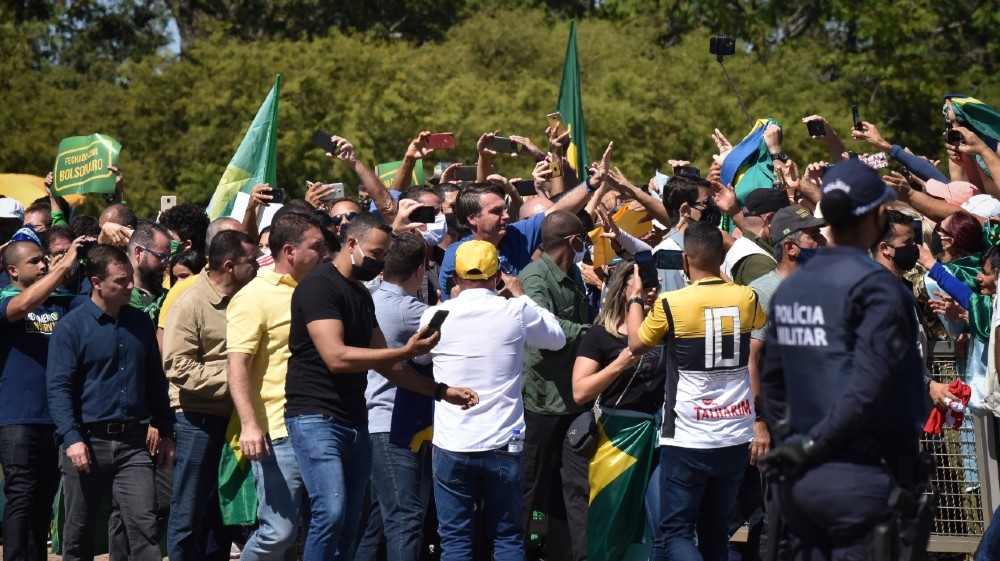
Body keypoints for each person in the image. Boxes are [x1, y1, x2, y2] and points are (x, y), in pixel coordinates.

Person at [758, 159, 926, 561]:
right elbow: (869, 388)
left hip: (802, 482)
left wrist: (796, 446)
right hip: (863, 478)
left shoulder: (793, 288)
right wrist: (814, 445)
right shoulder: (880, 289)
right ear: (879, 215)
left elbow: (773, 381)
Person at [283, 212, 477, 561]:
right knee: (332, 511)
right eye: (375, 254)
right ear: (352, 244)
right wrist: (407, 349)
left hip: (356, 420)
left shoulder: (359, 293)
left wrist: (441, 392)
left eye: (385, 255)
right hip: (315, 417)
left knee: (351, 523)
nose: (380, 263)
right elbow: (336, 356)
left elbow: (387, 364)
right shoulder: (319, 286)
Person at [416, 240, 565, 561]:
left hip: (453, 443)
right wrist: (522, 295)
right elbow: (557, 338)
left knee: (455, 541)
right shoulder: (516, 310)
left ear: (455, 278)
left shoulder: (438, 314)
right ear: (498, 276)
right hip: (506, 443)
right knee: (508, 535)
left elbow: (419, 360)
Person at [627, 221, 766, 561]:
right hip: (734, 435)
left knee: (676, 534)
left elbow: (635, 343)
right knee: (715, 531)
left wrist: (633, 296)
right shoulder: (745, 296)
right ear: (722, 256)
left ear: (685, 260)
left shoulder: (672, 303)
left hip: (688, 436)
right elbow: (757, 322)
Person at [46, 244, 176, 561]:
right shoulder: (71, 328)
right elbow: (58, 388)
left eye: (130, 277)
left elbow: (156, 383)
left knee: (144, 527)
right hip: (86, 441)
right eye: (121, 281)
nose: (130, 285)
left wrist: (166, 430)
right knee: (78, 532)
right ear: (96, 282)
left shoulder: (141, 323)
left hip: (133, 442)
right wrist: (72, 439)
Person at [227, 213, 329, 561]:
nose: (325, 252)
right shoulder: (253, 296)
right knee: (279, 530)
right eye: (316, 247)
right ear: (289, 251)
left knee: (325, 524)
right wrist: (250, 425)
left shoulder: (320, 288)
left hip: (321, 425)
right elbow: (237, 364)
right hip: (275, 430)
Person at [163, 230, 258, 561]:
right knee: (189, 511)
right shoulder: (189, 303)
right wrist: (236, 380)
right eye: (251, 261)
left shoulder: (248, 298)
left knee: (225, 512)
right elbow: (178, 367)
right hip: (198, 420)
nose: (258, 266)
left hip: (237, 421)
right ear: (230, 266)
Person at [571, 258, 665, 561]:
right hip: (616, 441)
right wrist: (621, 362)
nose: (649, 292)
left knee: (656, 527)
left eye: (654, 286)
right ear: (622, 289)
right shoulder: (600, 335)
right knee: (610, 525)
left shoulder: (666, 330)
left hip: (661, 440)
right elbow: (580, 391)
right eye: (641, 285)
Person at [0, 237, 87, 561]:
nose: (43, 265)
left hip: (56, 417)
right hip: (17, 417)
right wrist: (62, 266)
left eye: (44, 260)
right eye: (34, 261)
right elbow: (21, 307)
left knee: (42, 499)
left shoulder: (62, 301)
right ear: (12, 270)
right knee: (21, 494)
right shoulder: (4, 299)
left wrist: (89, 259)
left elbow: (94, 300)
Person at [516, 210, 591, 561]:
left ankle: (568, 553)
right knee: (533, 488)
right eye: (583, 237)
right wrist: (596, 336)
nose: (586, 243)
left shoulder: (573, 272)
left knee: (574, 487)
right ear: (572, 240)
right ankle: (525, 552)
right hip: (543, 401)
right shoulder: (534, 277)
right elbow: (545, 331)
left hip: (574, 398)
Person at [356, 233, 434, 561]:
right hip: (390, 425)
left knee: (378, 520)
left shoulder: (367, 296)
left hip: (371, 422)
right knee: (405, 517)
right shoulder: (410, 310)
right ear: (420, 270)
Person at [126, 220, 172, 323]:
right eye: (161, 256)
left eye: (168, 257)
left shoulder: (167, 297)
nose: (166, 263)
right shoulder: (118, 299)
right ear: (138, 252)